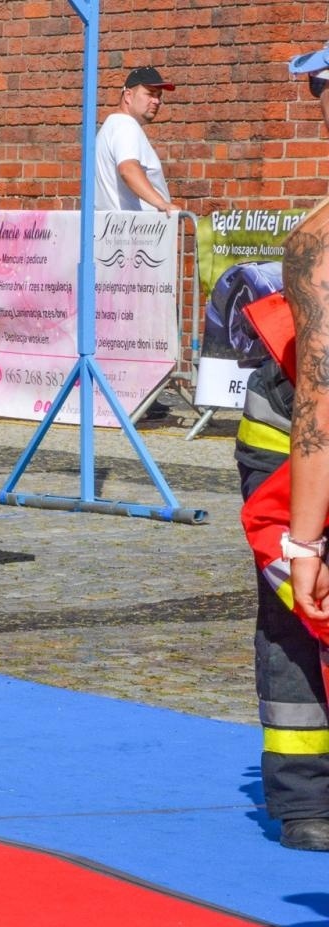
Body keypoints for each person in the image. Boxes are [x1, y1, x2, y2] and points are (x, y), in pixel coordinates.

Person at [237, 41, 329, 851]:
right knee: (301, 604)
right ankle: (304, 794)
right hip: (292, 431)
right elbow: (319, 395)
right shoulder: (320, 244)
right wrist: (303, 541)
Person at [94, 66, 177, 214]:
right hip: (137, 232)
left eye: (159, 95)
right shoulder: (126, 126)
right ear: (128, 96)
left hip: (116, 230)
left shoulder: (111, 126)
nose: (156, 101)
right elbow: (128, 169)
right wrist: (162, 204)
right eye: (150, 94)